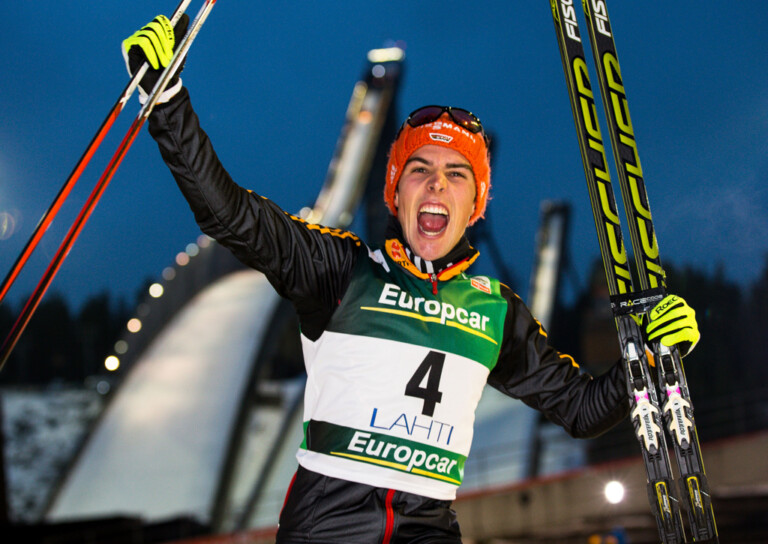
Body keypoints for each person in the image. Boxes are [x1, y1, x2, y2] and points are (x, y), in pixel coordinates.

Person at [122, 15, 701, 543]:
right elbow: (230, 214)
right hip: (329, 523)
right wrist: (167, 100)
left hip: (429, 526)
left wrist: (649, 359)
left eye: (456, 175)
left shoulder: (496, 310)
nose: (435, 186)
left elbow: (582, 410)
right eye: (418, 170)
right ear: (395, 191)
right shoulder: (339, 271)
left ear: (476, 203)